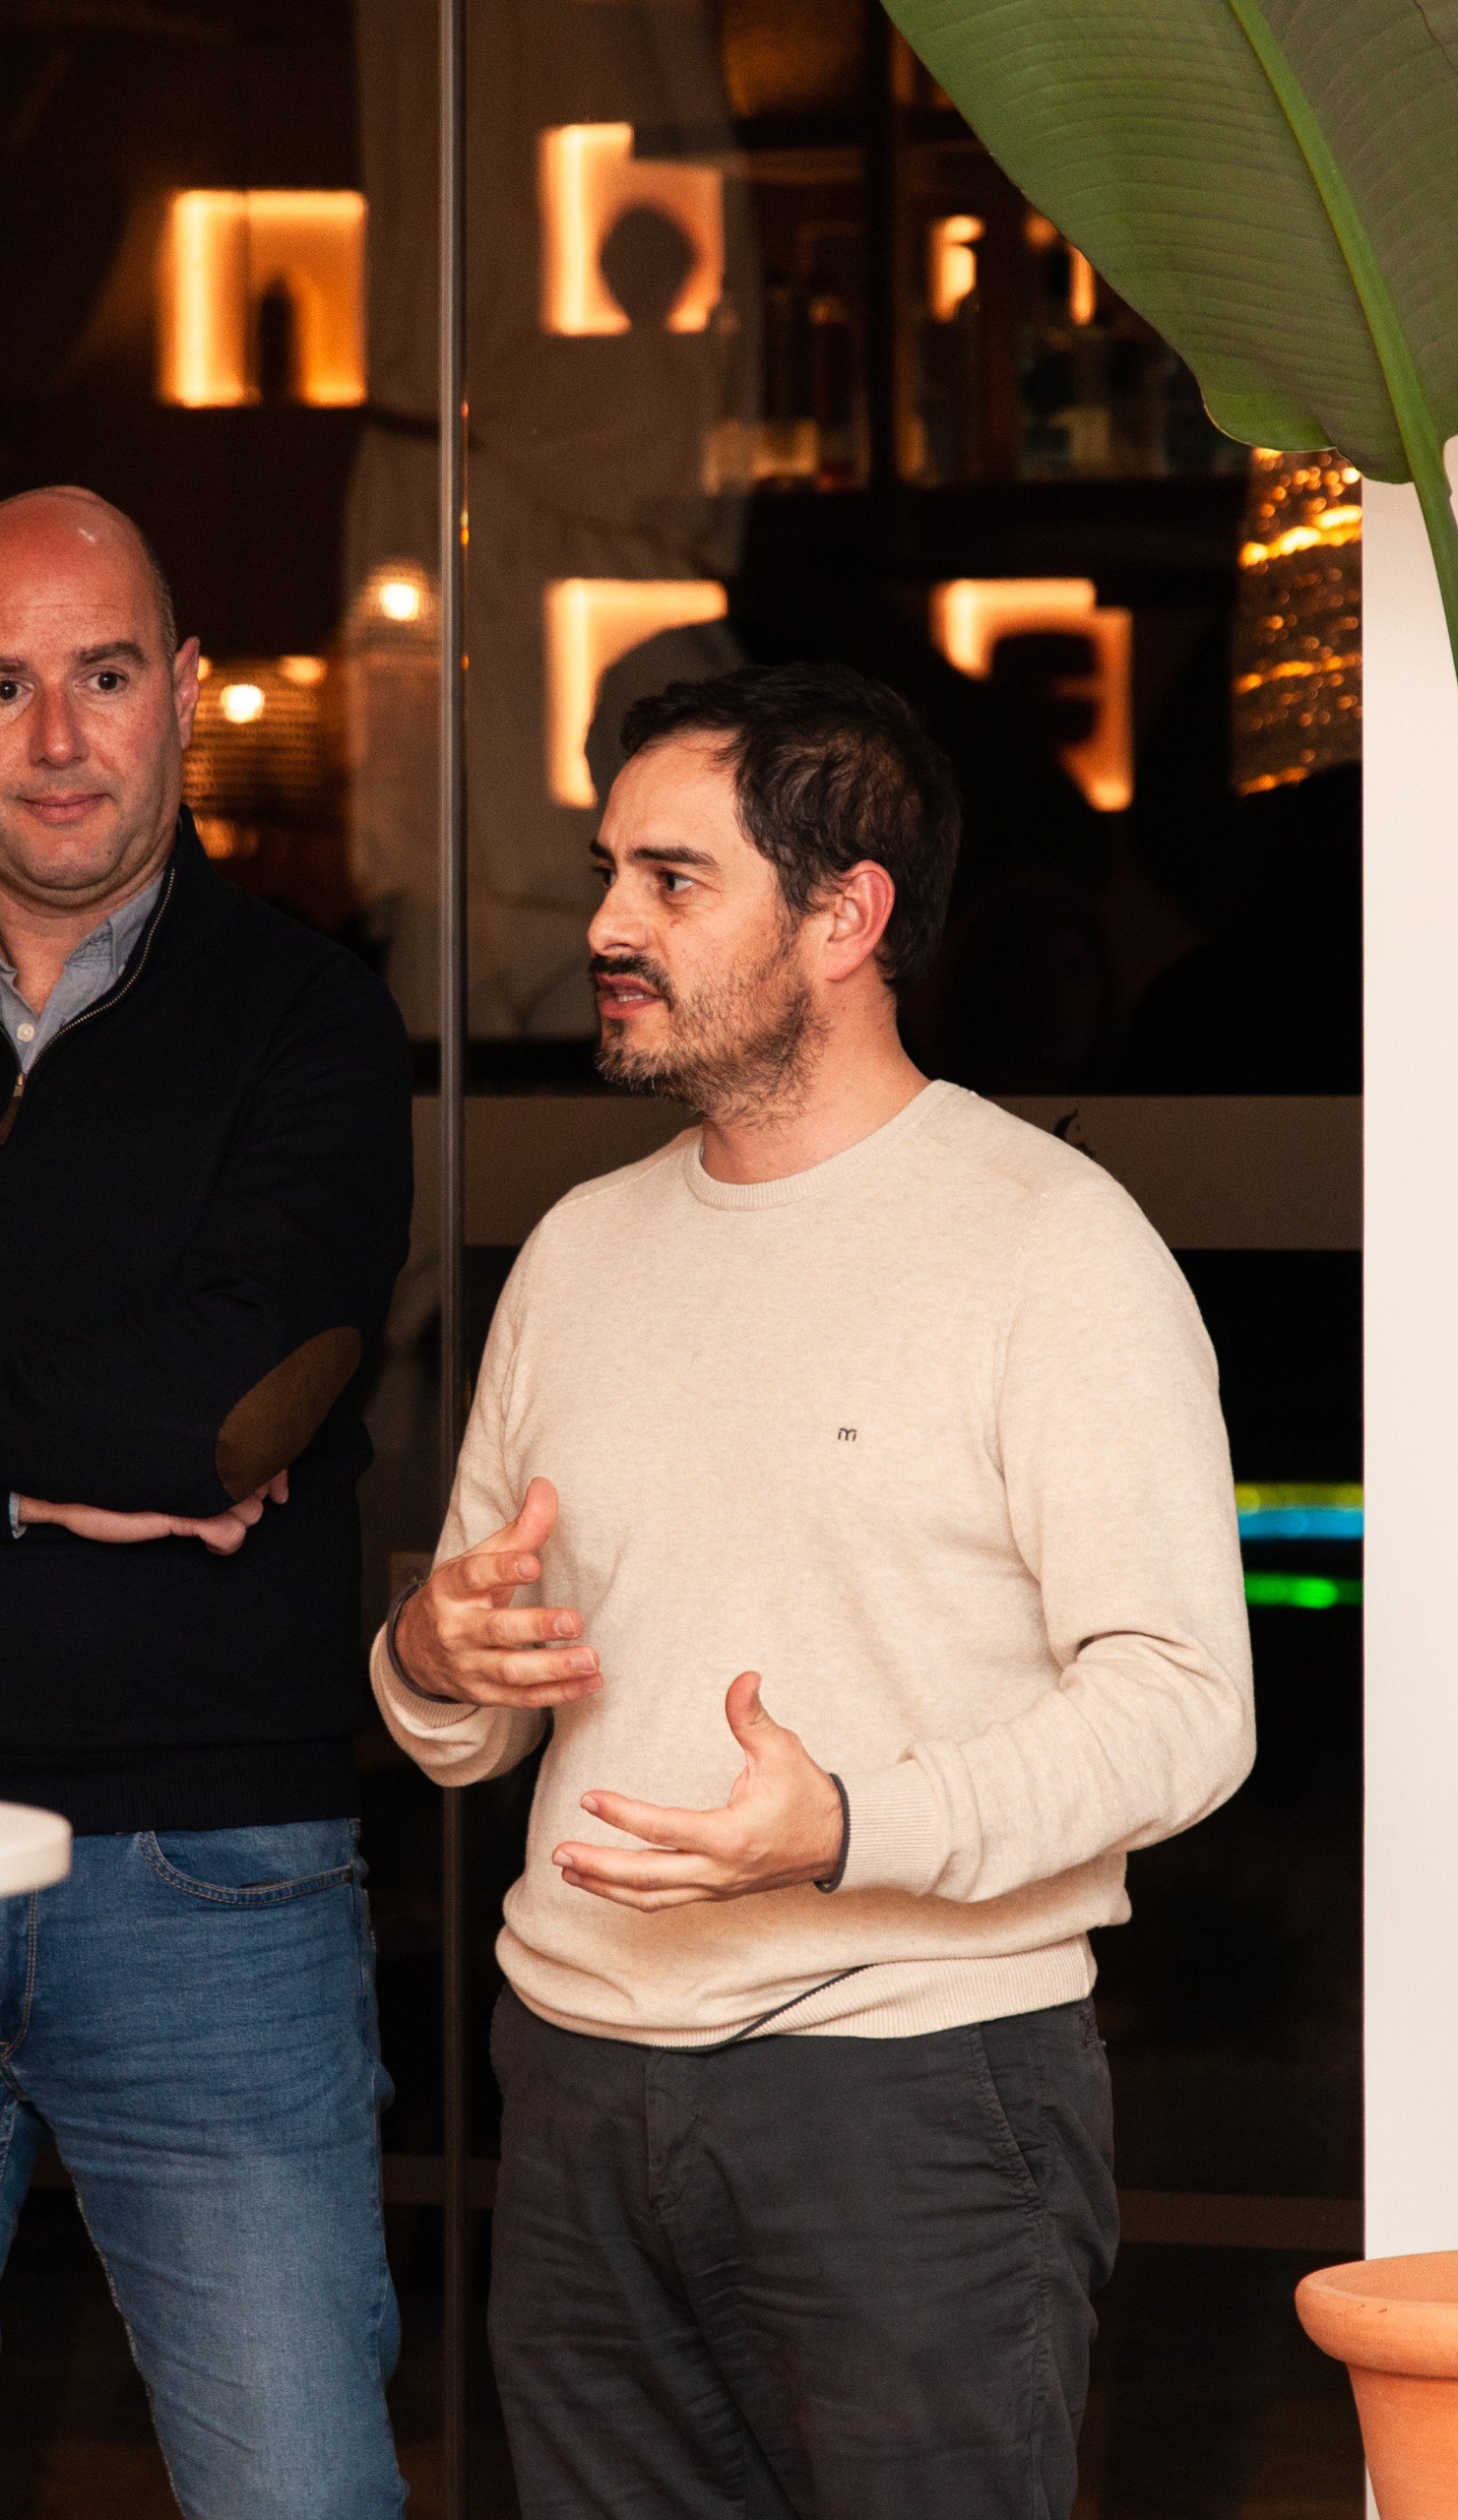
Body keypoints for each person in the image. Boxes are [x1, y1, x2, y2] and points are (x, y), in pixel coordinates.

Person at [374, 662, 1254, 2520]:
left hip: (910, 2099)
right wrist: (432, 1656)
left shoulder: (1049, 1245)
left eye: (672, 880)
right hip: (576, 2084)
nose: (606, 927)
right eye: (609, 871)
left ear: (845, 916)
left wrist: (853, 1825)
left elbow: (1184, 1704)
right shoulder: (579, 1250)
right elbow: (470, 1718)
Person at [0, 487, 412, 2520]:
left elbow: (219, 1417)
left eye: (107, 674)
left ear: (188, 692)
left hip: (206, 1873)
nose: (59, 738)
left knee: (297, 2492)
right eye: (2, 684)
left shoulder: (310, 1020)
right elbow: (129, 1441)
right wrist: (42, 1504)